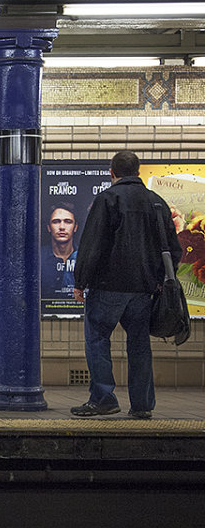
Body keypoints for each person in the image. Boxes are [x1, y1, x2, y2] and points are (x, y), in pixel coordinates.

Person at [72, 151, 182, 419]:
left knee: (97, 338)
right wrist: (157, 281)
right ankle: (142, 405)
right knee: (139, 344)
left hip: (108, 287)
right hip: (144, 291)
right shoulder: (157, 203)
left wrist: (80, 282)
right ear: (138, 171)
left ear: (112, 173)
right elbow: (173, 250)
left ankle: (103, 399)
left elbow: (92, 244)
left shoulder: (108, 199)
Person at [42, 202, 78, 300]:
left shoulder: (84, 258)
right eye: (56, 221)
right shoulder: (38, 259)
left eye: (68, 221)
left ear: (75, 227)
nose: (62, 227)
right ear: (49, 227)